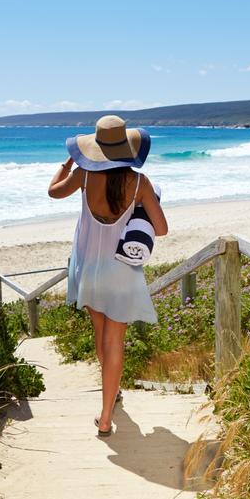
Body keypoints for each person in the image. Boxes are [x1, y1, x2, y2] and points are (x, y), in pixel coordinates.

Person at [48, 115, 168, 437]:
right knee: (115, 341)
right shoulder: (139, 183)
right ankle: (105, 416)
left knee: (101, 337)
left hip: (89, 268)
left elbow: (53, 192)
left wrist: (68, 163)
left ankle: (110, 399)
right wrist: (141, 208)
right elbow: (162, 228)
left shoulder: (84, 175)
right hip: (122, 271)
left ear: (95, 149)